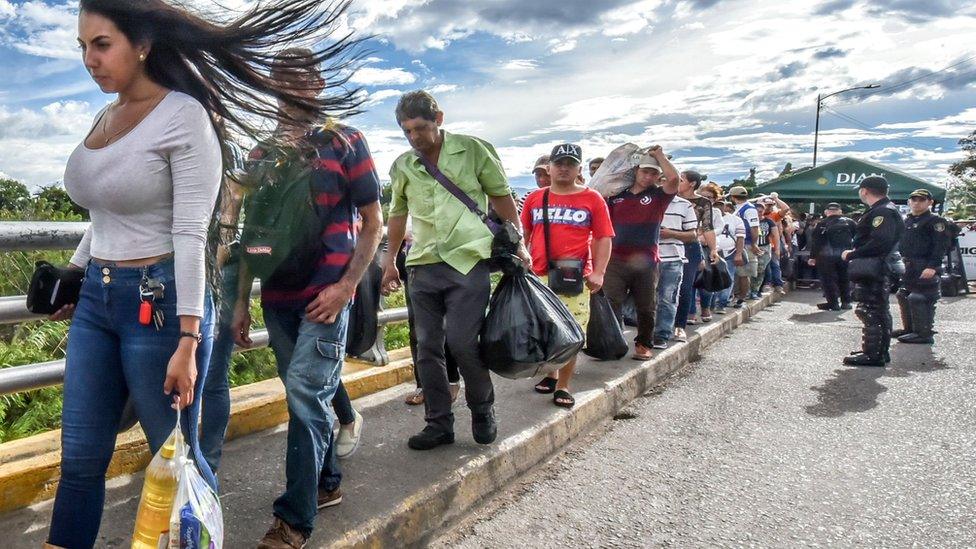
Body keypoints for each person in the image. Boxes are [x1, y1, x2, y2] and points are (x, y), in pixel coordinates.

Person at [46, 1, 367, 547]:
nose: (88, 60)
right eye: (82, 47)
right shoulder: (106, 116)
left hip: (164, 302)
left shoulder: (184, 115)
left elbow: (192, 232)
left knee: (179, 462)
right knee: (78, 460)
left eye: (101, 45)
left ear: (143, 43)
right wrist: (75, 273)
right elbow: (107, 214)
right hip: (99, 302)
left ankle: (242, 527)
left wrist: (190, 338)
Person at [230, 48, 384, 547]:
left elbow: (374, 224)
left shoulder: (345, 141)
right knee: (306, 397)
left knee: (303, 394)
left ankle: (294, 521)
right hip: (278, 297)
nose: (290, 87)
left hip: (325, 296)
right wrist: (240, 302)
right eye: (280, 77)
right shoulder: (261, 153)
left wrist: (344, 288)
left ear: (317, 84)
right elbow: (252, 235)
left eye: (300, 78)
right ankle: (328, 483)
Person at [381, 90, 526, 451]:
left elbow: (501, 197)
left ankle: (482, 409)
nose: (415, 137)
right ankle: (439, 423)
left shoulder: (474, 149)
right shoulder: (402, 166)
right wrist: (389, 262)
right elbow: (397, 215)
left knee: (462, 342)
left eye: (421, 128)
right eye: (407, 131)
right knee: (427, 348)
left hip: (467, 261)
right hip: (422, 265)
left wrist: (519, 242)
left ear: (439, 119)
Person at [521, 143, 613, 407]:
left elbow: (604, 237)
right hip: (539, 275)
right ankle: (551, 373)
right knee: (544, 330)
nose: (564, 168)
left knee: (572, 333)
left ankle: (564, 384)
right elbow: (524, 234)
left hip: (575, 277)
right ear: (549, 168)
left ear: (578, 169)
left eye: (570, 164)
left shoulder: (592, 198)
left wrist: (599, 272)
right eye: (559, 163)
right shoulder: (535, 198)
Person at [603, 147, 679, 360]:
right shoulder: (616, 195)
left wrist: (660, 156)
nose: (648, 176)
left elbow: (674, 179)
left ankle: (644, 343)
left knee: (646, 306)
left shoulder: (658, 196)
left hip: (646, 260)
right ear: (636, 171)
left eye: (653, 173)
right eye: (645, 171)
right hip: (615, 259)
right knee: (611, 302)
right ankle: (612, 341)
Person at [840, 176, 904, 367]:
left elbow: (880, 242)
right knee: (877, 310)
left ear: (864, 190)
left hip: (875, 267)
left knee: (870, 311)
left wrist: (853, 254)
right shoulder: (885, 209)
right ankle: (877, 351)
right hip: (877, 266)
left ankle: (874, 355)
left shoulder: (882, 212)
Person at [892, 189, 951, 344]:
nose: (917, 202)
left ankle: (924, 333)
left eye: (921, 200)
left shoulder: (935, 221)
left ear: (930, 202)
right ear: (909, 202)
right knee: (903, 295)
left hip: (925, 264)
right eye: (914, 199)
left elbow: (941, 246)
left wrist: (932, 266)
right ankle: (910, 329)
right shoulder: (908, 220)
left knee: (920, 297)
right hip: (908, 265)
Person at [674, 170, 719, 332]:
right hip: (666, 244)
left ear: (692, 183)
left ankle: (680, 324)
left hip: (690, 245)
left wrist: (713, 249)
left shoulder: (703, 202)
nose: (677, 181)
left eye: (681, 179)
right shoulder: (668, 197)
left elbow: (707, 227)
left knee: (685, 286)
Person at [654, 195, 698, 347]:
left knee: (667, 298)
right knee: (644, 300)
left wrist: (671, 233)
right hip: (645, 258)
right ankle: (644, 336)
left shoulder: (684, 205)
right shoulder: (647, 198)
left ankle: (661, 335)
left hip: (672, 259)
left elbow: (692, 235)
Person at [808, 203, 856, 311]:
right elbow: (858, 236)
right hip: (845, 255)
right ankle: (846, 302)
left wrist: (812, 257)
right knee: (845, 278)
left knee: (828, 280)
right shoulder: (850, 222)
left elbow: (816, 242)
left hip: (826, 256)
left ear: (826, 212)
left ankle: (833, 303)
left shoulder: (821, 224)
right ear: (840, 211)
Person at [710, 194, 745, 314]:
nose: (718, 207)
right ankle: (711, 304)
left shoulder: (735, 219)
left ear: (725, 205)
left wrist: (739, 253)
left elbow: (741, 238)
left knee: (728, 277)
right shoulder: (708, 217)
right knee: (711, 277)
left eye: (721, 204)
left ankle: (721, 303)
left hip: (730, 252)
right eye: (716, 205)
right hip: (712, 251)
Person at [729, 186, 761, 308]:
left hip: (746, 243)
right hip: (737, 243)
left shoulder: (749, 209)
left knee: (743, 273)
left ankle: (742, 298)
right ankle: (737, 296)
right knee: (738, 273)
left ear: (733, 197)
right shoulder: (740, 208)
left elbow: (754, 228)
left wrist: (753, 244)